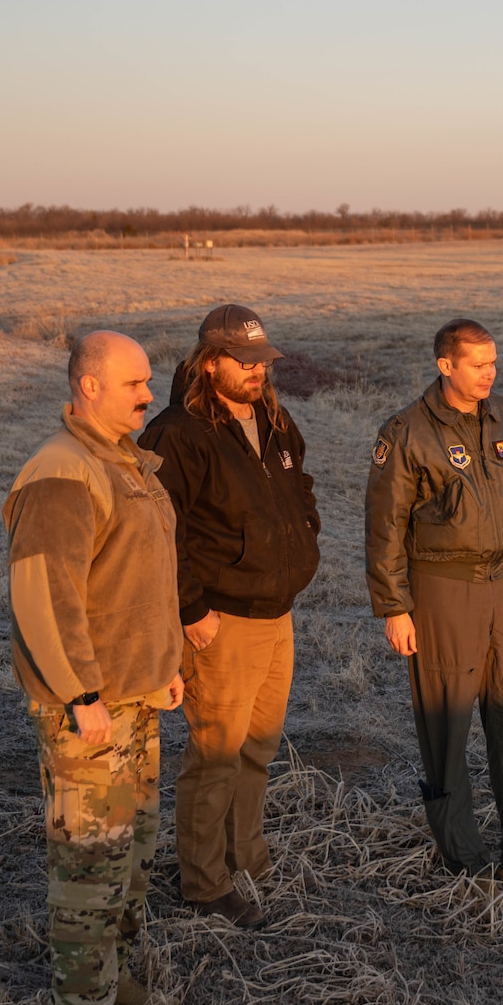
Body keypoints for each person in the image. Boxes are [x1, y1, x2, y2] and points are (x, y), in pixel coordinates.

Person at [3, 331, 184, 1005]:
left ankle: (110, 979)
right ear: (88, 386)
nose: (148, 393)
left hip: (137, 696)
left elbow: (141, 579)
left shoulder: (126, 462)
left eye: (148, 381)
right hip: (93, 709)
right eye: (134, 383)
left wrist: (165, 662)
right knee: (90, 860)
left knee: (132, 852)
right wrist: (79, 695)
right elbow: (47, 595)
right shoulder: (62, 471)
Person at [364, 318, 503, 901]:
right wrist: (395, 607)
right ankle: (464, 862)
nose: (490, 372)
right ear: (446, 366)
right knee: (448, 722)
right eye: (478, 363)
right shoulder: (407, 433)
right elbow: (384, 527)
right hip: (441, 588)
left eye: (494, 361)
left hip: (502, 585)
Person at [139, 304, 319, 927]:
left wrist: (305, 534)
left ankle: (246, 855)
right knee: (216, 754)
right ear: (208, 361)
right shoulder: (176, 432)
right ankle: (204, 882)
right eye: (242, 362)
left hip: (276, 612)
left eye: (261, 362)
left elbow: (301, 486)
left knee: (258, 748)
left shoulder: (272, 417)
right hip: (219, 620)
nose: (255, 372)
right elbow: (161, 529)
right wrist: (191, 609)